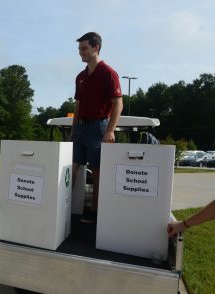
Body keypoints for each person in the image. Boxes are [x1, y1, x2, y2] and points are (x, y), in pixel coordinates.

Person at [70, 32, 123, 223]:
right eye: (79, 49)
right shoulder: (81, 77)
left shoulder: (109, 73)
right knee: (71, 168)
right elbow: (78, 105)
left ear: (96, 48)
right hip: (81, 128)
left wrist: (109, 130)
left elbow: (118, 103)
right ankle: (65, 206)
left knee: (97, 170)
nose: (80, 53)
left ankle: (94, 212)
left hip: (98, 127)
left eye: (84, 48)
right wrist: (73, 129)